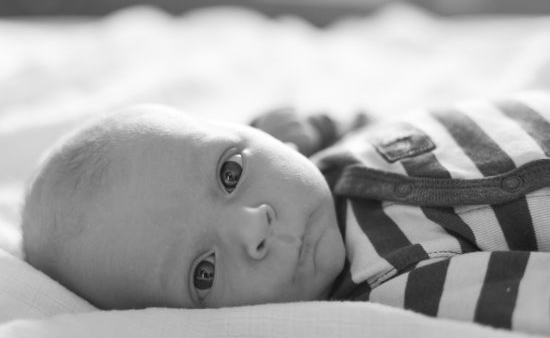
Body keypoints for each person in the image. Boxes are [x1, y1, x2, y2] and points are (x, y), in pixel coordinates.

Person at [21, 91, 550, 335]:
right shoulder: (394, 281)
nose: (253, 225)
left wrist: (308, 128)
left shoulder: (318, 159)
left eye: (229, 173)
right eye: (204, 272)